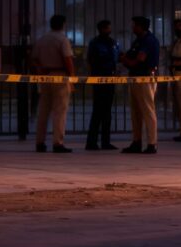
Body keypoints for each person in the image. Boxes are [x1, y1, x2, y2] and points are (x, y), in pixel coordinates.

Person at [31, 14, 75, 154]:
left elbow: (34, 59)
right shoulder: (63, 39)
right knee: (60, 111)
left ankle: (40, 142)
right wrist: (72, 78)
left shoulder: (42, 39)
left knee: (43, 110)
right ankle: (58, 143)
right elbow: (68, 60)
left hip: (45, 76)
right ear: (63, 24)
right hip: (60, 76)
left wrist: (41, 69)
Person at [120, 16, 159, 155]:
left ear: (141, 27)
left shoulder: (149, 40)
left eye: (135, 25)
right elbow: (131, 57)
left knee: (148, 110)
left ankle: (151, 143)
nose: (133, 28)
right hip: (135, 78)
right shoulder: (139, 41)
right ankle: (136, 142)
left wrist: (127, 61)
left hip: (144, 78)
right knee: (135, 112)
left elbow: (140, 59)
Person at [85, 19, 120, 151]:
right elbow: (91, 61)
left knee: (107, 112)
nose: (109, 31)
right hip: (99, 80)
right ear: (101, 29)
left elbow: (116, 58)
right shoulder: (95, 43)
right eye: (107, 28)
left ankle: (106, 142)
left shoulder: (112, 43)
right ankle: (92, 142)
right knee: (98, 111)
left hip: (110, 79)